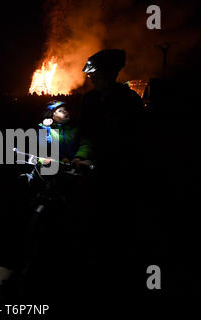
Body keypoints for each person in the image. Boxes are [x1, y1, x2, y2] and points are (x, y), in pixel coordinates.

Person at [75, 49, 146, 292]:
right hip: (93, 175)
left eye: (96, 75)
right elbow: (86, 135)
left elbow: (134, 145)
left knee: (117, 229)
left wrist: (101, 164)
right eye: (90, 76)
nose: (91, 79)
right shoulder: (90, 100)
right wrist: (81, 156)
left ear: (111, 73)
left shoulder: (130, 102)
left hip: (120, 177)